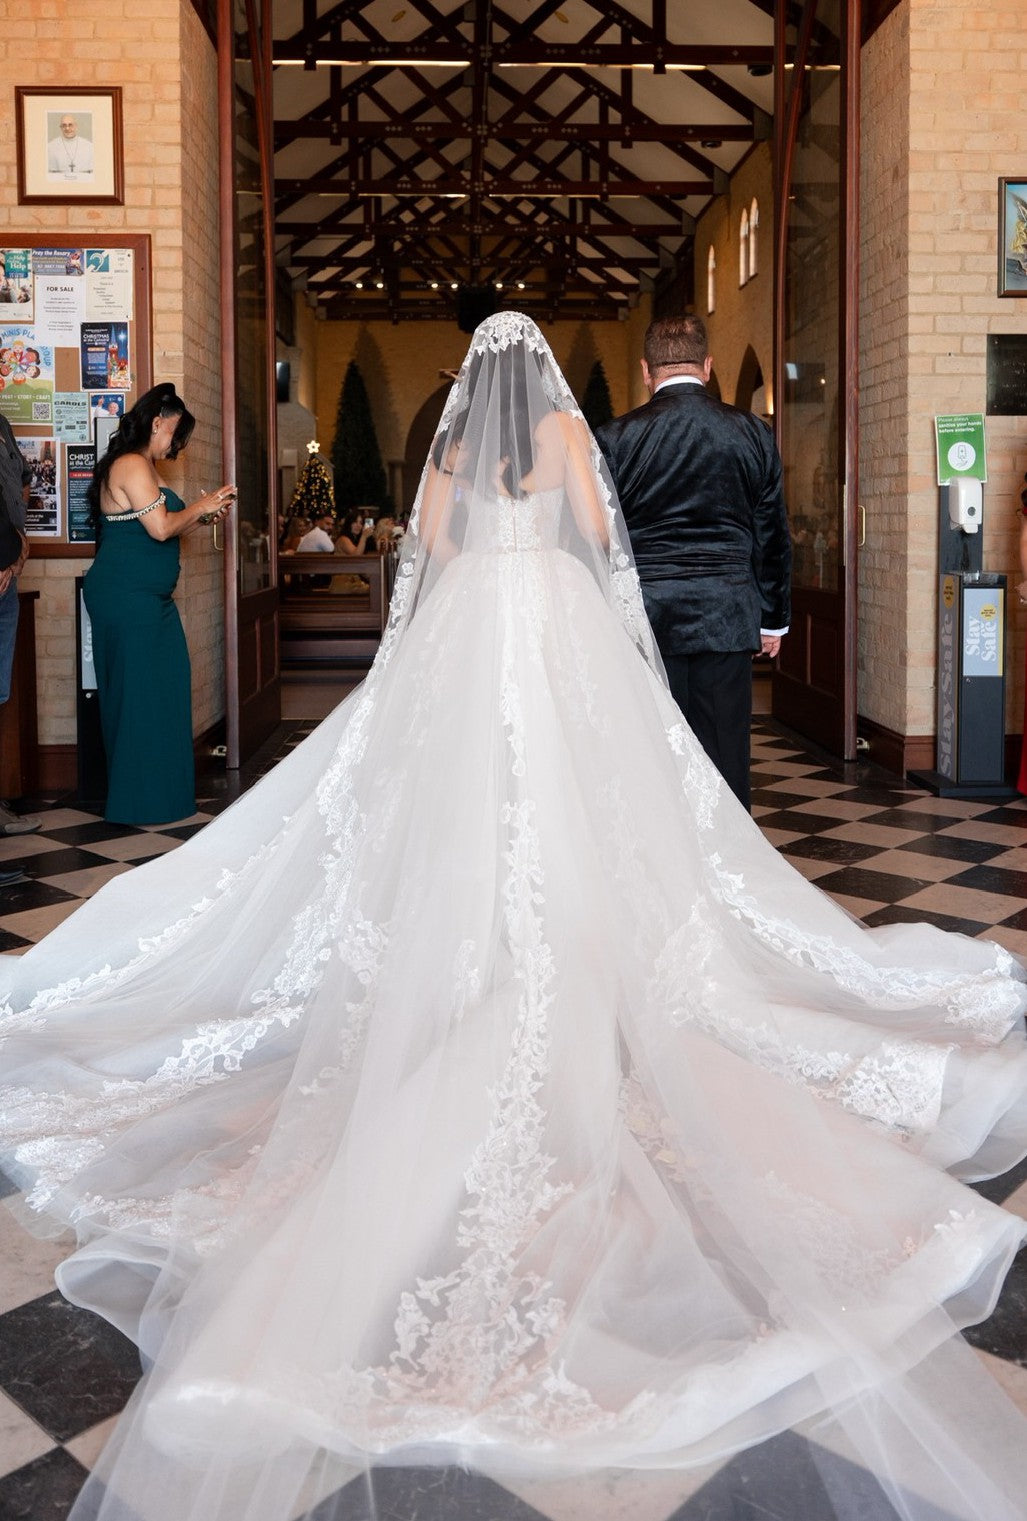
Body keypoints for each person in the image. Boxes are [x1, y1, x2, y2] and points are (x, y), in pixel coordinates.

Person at [1, 313, 1027, 1521]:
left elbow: (425, 557)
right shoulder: (562, 428)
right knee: (589, 806)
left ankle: (470, 964)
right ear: (539, 374)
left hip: (465, 640)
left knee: (463, 809)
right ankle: (578, 968)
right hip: (554, 635)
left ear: (467, 384)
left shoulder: (445, 455)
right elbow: (600, 542)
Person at [596, 314, 791, 811]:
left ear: (646, 370)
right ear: (707, 366)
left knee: (649, 749)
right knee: (724, 753)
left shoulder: (615, 438)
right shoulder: (752, 432)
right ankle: (726, 866)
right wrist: (774, 619)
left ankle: (658, 868)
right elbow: (771, 534)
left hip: (645, 617)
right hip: (725, 615)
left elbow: (601, 539)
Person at [82, 382, 234, 826]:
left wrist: (202, 515)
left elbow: (165, 525)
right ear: (157, 422)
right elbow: (160, 529)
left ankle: (163, 797)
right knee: (139, 697)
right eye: (175, 434)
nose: (175, 445)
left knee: (162, 690)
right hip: (127, 598)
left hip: (149, 600)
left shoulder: (144, 465)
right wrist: (200, 506)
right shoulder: (130, 464)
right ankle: (138, 803)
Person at [0, 412, 40, 846]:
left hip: (8, 576)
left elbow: (23, 480)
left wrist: (17, 545)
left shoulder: (2, 424)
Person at [46, 112, 95, 177]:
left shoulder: (88, 146)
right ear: (60, 127)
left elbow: (91, 175)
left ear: (76, 126)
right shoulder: (51, 147)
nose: (67, 128)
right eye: (64, 125)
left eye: (70, 125)